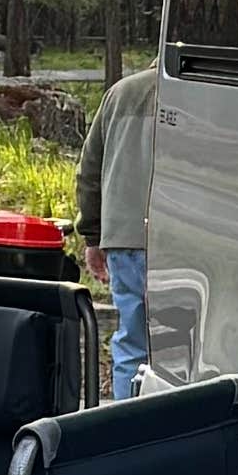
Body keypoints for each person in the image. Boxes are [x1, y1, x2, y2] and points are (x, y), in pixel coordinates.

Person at [77, 53, 157, 396]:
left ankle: (126, 417)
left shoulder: (120, 93)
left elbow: (89, 172)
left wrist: (92, 236)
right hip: (178, 241)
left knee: (132, 345)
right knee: (182, 350)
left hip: (123, 238)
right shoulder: (198, 95)